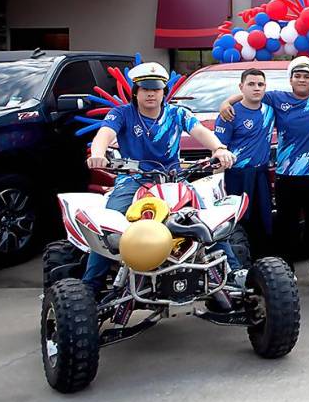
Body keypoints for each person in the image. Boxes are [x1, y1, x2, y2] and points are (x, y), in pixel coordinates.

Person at [83, 62, 237, 290]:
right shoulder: (122, 113)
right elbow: (104, 134)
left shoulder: (177, 113)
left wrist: (219, 149)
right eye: (145, 89)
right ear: (136, 92)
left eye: (156, 89)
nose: (151, 94)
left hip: (174, 180)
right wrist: (97, 154)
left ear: (164, 92)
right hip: (133, 180)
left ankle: (233, 276)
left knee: (208, 222)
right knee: (108, 228)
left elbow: (201, 131)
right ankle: (91, 286)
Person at [220, 57, 309, 288]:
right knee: (285, 227)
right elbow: (251, 93)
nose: (302, 80)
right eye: (298, 76)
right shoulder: (276, 99)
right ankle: (286, 270)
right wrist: (226, 102)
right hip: (285, 175)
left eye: (307, 76)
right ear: (290, 79)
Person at [213, 69, 275, 261]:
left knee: (263, 221)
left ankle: (263, 265)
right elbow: (217, 151)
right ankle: (239, 268)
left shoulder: (270, 109)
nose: (256, 88)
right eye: (251, 84)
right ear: (241, 87)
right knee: (238, 222)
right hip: (237, 176)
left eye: (260, 84)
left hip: (261, 175)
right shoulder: (229, 113)